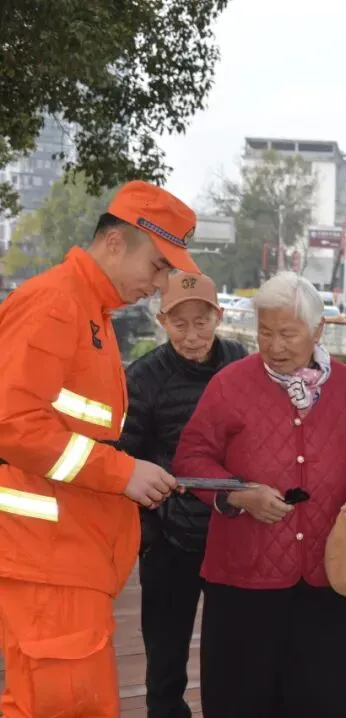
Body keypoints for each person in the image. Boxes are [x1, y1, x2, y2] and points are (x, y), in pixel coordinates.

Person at [0, 180, 200, 717]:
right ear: (115, 242)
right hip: (50, 554)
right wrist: (122, 473)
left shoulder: (88, 310)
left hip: (67, 552)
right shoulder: (58, 304)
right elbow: (12, 423)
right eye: (157, 266)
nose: (159, 284)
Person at [172, 271, 346, 718]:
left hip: (326, 576)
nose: (274, 346)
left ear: (318, 330)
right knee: (238, 700)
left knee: (320, 700)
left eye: (288, 334)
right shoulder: (229, 384)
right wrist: (239, 494)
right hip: (244, 579)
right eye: (265, 332)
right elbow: (191, 459)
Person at [117, 271, 247, 718]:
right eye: (180, 323)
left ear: (219, 316)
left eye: (201, 322)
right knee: (165, 655)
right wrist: (149, 533)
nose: (192, 336)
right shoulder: (144, 377)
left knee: (231, 652)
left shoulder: (241, 364)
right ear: (162, 321)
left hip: (230, 532)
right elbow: (124, 458)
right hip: (169, 537)